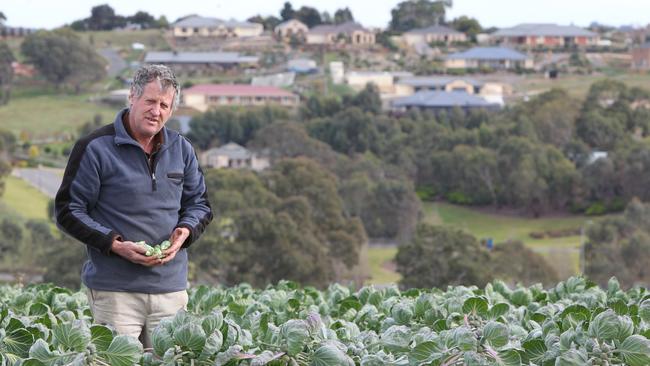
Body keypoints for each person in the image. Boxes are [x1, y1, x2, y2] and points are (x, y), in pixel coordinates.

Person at [54, 64, 212, 349]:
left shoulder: (182, 149)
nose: (157, 111)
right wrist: (115, 244)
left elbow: (199, 204)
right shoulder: (95, 147)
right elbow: (69, 209)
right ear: (132, 97)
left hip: (170, 291)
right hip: (115, 292)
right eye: (150, 101)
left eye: (164, 105)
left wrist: (185, 231)